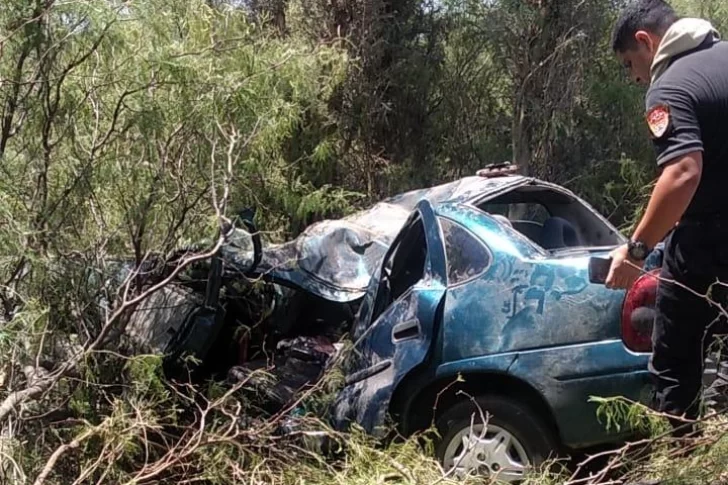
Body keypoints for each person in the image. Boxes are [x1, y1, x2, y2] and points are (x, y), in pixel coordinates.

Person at [607, 0, 728, 438]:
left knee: (674, 355)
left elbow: (682, 173)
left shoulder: (669, 86)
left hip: (709, 237)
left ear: (646, 41)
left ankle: (682, 458)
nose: (635, 77)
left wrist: (636, 249)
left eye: (629, 64)